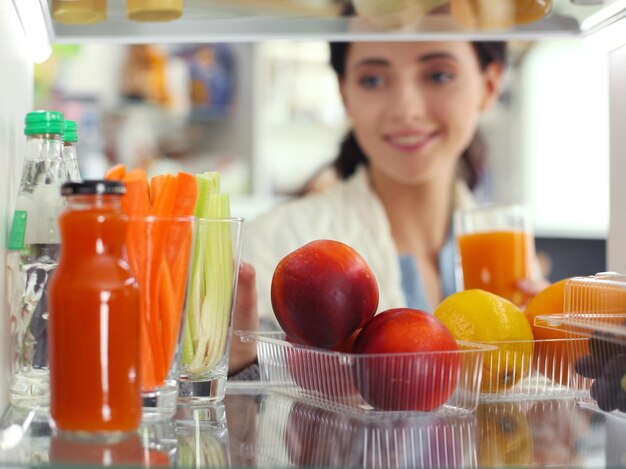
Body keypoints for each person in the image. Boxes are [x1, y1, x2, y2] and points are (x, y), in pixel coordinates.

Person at [229, 40, 544, 377]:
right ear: (345, 93)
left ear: (490, 85)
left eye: (438, 75)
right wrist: (239, 373)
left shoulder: (508, 251)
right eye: (373, 80)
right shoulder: (268, 247)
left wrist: (555, 360)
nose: (406, 109)